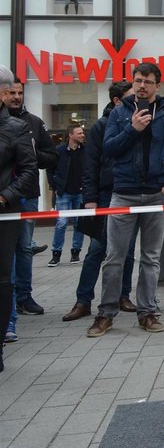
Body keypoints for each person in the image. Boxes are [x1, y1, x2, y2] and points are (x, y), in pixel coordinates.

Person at [86, 63, 164, 338]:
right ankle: (106, 313)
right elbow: (108, 149)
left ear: (158, 85)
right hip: (124, 193)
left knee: (151, 258)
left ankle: (147, 312)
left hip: (158, 193)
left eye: (148, 81)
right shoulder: (120, 112)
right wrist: (132, 129)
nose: (142, 85)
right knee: (114, 257)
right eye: (138, 80)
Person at [63, 82, 139, 324]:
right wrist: (90, 199)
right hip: (106, 196)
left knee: (127, 250)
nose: (135, 100)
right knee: (97, 250)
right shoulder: (100, 126)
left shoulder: (138, 122)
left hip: (131, 193)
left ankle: (123, 296)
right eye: (129, 97)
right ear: (117, 100)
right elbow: (90, 164)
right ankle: (83, 301)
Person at [6, 78, 56, 318]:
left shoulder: (34, 123)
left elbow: (51, 156)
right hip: (4, 196)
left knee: (24, 248)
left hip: (26, 195)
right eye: (11, 92)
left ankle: (24, 296)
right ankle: (9, 297)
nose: (16, 97)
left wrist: (30, 153)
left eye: (19, 92)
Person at [0, 65, 39, 372]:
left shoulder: (16, 128)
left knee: (4, 276)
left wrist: (5, 195)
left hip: (5, 212)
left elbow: (29, 172)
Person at [48, 123, 87, 265]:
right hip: (63, 193)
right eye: (79, 133)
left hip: (81, 193)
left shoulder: (86, 151)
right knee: (61, 223)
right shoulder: (59, 151)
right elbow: (50, 169)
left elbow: (90, 169)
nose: (82, 135)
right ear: (70, 135)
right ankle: (56, 254)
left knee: (79, 224)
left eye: (82, 133)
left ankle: (75, 253)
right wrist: (54, 186)